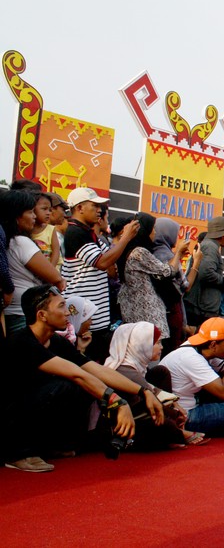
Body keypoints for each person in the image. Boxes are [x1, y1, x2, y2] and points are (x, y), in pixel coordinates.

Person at [2, 285, 164, 471]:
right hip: (9, 416)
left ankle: (54, 444)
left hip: (28, 406)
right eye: (62, 306)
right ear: (42, 315)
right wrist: (117, 402)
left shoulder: (56, 341)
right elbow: (77, 373)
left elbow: (96, 370)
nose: (68, 313)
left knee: (83, 387)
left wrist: (143, 391)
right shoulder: (22, 342)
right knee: (66, 385)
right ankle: (19, 453)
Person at [62, 187, 140, 362]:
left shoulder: (91, 235)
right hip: (83, 319)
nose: (99, 210)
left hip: (97, 319)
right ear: (79, 208)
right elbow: (104, 262)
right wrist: (125, 237)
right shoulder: (76, 232)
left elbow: (112, 269)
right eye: (94, 205)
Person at [160, 317, 224, 435]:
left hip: (190, 405)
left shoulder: (199, 347)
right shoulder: (191, 358)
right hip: (185, 416)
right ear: (213, 345)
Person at [104, 321, 191, 449]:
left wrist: (175, 408)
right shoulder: (124, 368)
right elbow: (151, 399)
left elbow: (154, 391)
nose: (161, 347)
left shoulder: (137, 364)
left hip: (143, 411)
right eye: (156, 343)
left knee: (160, 372)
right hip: (127, 422)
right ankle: (177, 432)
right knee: (165, 425)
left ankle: (173, 427)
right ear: (139, 345)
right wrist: (176, 414)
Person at [117, 212, 190, 341]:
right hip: (147, 316)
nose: (155, 233)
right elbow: (167, 271)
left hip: (133, 313)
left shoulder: (127, 250)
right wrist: (178, 252)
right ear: (146, 231)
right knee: (151, 355)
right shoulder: (140, 252)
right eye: (153, 229)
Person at [0, 190, 65, 334]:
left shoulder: (7, 240)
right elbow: (55, 277)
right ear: (16, 215)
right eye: (30, 212)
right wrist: (59, 280)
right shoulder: (21, 242)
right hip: (22, 313)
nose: (34, 216)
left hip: (12, 311)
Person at [184, 216, 224, 328]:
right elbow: (206, 273)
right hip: (201, 309)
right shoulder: (210, 247)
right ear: (222, 234)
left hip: (201, 307)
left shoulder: (209, 245)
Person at [152, 217, 192, 354]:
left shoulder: (151, 252)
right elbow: (185, 286)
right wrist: (196, 262)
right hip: (171, 312)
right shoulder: (167, 255)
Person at [31, 192, 62, 268]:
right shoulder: (26, 231)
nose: (48, 213)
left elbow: (56, 252)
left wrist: (50, 269)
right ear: (32, 209)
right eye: (44, 209)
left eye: (50, 210)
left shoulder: (50, 229)